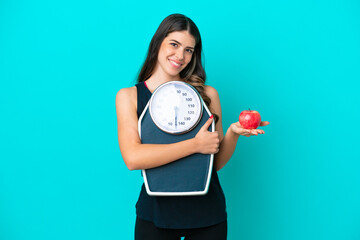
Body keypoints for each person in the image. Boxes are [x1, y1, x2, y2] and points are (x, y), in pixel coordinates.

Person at [116, 13, 270, 240]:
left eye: (189, 50)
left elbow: (214, 164)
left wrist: (232, 134)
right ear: (158, 42)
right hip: (156, 214)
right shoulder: (129, 97)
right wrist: (194, 145)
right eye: (174, 44)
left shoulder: (207, 94)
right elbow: (133, 158)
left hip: (207, 214)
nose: (181, 55)